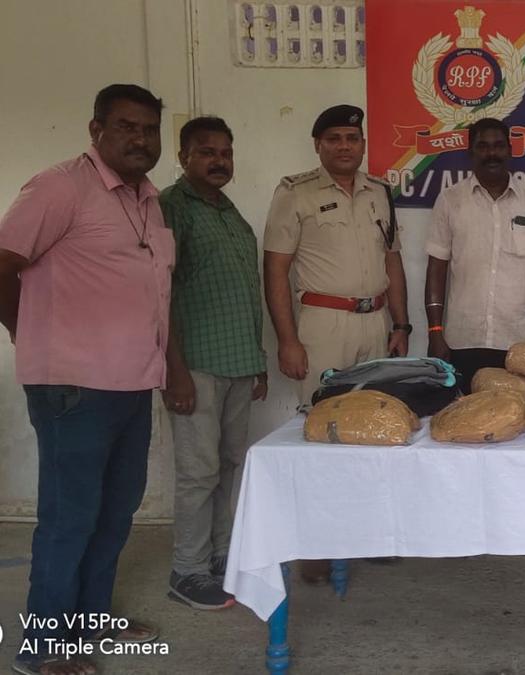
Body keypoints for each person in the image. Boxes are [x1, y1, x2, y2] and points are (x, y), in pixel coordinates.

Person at [0, 83, 167, 675]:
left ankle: (90, 621)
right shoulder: (60, 188)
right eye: (126, 126)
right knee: (69, 518)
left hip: (132, 384)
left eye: (149, 129)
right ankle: (44, 648)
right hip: (72, 388)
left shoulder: (147, 199)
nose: (139, 139)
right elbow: (2, 262)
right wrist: (24, 328)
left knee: (115, 513)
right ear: (96, 130)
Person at [263, 104, 411, 584]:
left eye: (352, 138)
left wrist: (402, 324)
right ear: (318, 145)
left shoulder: (379, 193)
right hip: (323, 325)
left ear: (363, 144)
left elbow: (392, 262)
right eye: (334, 139)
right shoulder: (295, 193)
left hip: (376, 323)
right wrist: (287, 339)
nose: (344, 146)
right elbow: (276, 269)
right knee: (320, 434)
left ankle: (366, 534)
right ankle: (316, 545)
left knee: (375, 429)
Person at [159, 116, 268, 610]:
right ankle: (187, 570)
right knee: (199, 472)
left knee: (228, 465)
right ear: (183, 156)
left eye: (225, 152)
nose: (218, 160)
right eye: (206, 152)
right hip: (196, 365)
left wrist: (257, 359)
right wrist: (174, 371)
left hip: (238, 362)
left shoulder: (229, 212)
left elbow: (243, 290)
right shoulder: (172, 208)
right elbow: (159, 293)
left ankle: (221, 556)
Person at [424, 117, 525, 389]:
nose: (492, 153)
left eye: (499, 146)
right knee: (466, 413)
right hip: (464, 339)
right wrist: (435, 331)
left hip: (523, 341)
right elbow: (436, 269)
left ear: (510, 151)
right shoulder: (450, 200)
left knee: (522, 412)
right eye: (483, 146)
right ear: (471, 152)